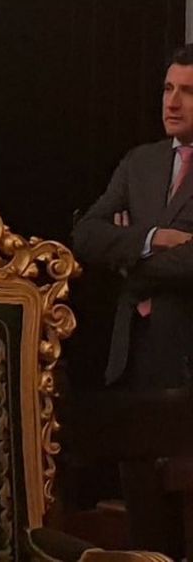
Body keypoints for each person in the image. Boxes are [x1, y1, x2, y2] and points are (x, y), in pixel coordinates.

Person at [75, 44, 193, 389]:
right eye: (168, 89)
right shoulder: (140, 162)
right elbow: (86, 234)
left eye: (188, 92)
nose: (172, 103)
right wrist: (153, 239)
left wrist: (126, 258)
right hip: (131, 355)